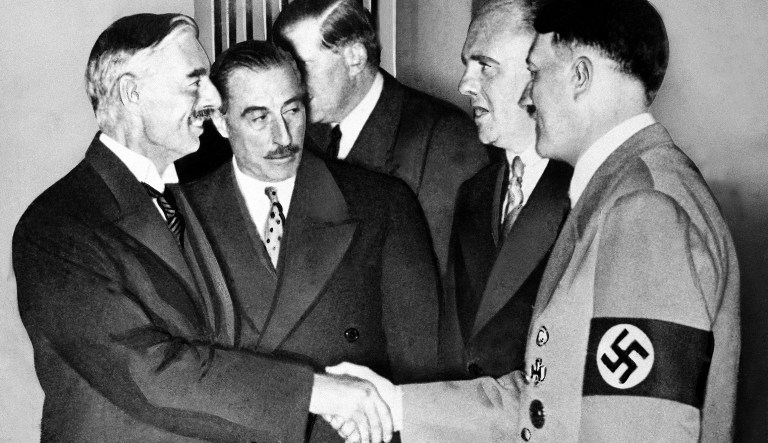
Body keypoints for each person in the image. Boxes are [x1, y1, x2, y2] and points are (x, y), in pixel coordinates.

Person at [330, 0, 741, 441]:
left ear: (580, 77)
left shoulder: (644, 207)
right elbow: (548, 401)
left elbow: (637, 429)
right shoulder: (623, 189)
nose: (529, 95)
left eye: (538, 74)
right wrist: (392, 404)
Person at [13, 14, 395, 442]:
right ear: (131, 93)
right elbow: (150, 373)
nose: (212, 98)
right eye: (195, 81)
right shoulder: (59, 225)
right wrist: (317, 394)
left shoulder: (181, 198)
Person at [181, 39, 441, 443]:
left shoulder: (382, 203)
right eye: (258, 117)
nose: (283, 136)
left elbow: (419, 367)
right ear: (220, 120)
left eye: (293, 110)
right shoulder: (184, 215)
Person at [270, 0, 492, 275]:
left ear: (355, 58)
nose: (291, 86)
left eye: (302, 67)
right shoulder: (300, 133)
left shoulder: (443, 139)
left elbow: (442, 285)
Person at [440, 0, 572, 379]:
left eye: (485, 67)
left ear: (536, 74)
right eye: (467, 65)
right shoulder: (475, 193)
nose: (464, 84)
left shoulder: (589, 193)